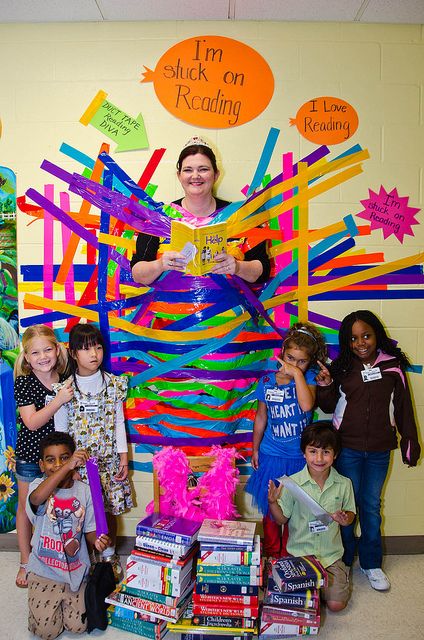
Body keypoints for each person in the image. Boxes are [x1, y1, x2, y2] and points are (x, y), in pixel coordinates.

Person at [316, 310, 421, 591]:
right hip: (346, 448)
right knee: (346, 508)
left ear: (377, 335)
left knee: (371, 507)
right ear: (346, 342)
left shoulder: (392, 367)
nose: (361, 342)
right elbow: (327, 407)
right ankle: (346, 560)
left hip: (378, 451)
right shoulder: (341, 368)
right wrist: (325, 386)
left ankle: (372, 563)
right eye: (353, 338)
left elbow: (404, 409)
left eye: (366, 336)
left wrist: (409, 442)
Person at [131, 135, 270, 285]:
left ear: (216, 174)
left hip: (228, 308)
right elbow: (137, 274)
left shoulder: (239, 215)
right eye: (188, 170)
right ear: (179, 175)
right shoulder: (159, 217)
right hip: (171, 307)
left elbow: (263, 271)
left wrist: (238, 267)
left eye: (203, 169)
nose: (195, 176)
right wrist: (159, 265)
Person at [54, 323, 133, 581]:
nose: (94, 354)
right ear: (73, 353)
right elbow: (61, 434)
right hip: (79, 469)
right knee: (81, 514)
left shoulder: (113, 385)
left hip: (108, 464)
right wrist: (68, 470)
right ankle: (84, 561)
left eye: (98, 347)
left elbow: (119, 421)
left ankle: (109, 557)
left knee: (108, 511)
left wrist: (123, 456)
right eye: (86, 349)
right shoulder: (65, 391)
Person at [245, 322, 327, 557]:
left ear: (309, 362)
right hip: (272, 454)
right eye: (290, 358)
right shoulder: (267, 382)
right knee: (272, 512)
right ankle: (272, 555)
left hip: (299, 458)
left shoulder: (308, 378)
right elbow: (261, 417)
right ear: (282, 353)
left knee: (296, 511)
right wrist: (255, 449)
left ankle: (291, 555)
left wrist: (298, 375)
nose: (294, 364)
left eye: (301, 361)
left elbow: (307, 405)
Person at [26, 431, 111, 640]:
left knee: (78, 627)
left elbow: (90, 531)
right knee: (47, 632)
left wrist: (98, 542)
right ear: (41, 465)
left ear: (74, 459)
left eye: (65, 457)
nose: (58, 464)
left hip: (75, 572)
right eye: (50, 460)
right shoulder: (38, 487)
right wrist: (66, 467)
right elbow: (37, 499)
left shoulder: (84, 491)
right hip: (44, 571)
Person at [268, 422, 356, 612]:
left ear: (335, 455)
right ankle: (318, 588)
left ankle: (336, 579)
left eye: (326, 452)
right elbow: (281, 520)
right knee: (302, 607)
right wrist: (273, 503)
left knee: (336, 606)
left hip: (331, 557)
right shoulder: (292, 484)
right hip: (300, 557)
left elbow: (350, 515)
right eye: (313, 451)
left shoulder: (344, 483)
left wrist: (345, 518)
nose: (319, 458)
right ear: (304, 453)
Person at [13, 324, 73, 588]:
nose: (43, 356)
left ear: (57, 349)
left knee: (59, 507)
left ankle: (56, 556)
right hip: (30, 456)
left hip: (58, 458)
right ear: (26, 357)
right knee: (27, 508)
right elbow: (32, 422)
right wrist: (58, 400)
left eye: (48, 349)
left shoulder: (64, 375)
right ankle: (26, 561)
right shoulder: (24, 382)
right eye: (35, 353)